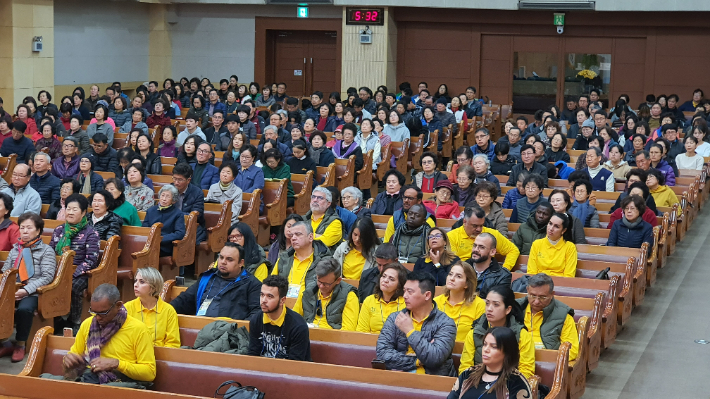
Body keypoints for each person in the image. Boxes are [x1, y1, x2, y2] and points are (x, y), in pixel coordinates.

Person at [61, 284, 156, 384]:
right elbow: (74, 356)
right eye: (94, 312)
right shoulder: (87, 324)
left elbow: (150, 373)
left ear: (118, 305)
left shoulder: (139, 329)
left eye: (103, 313)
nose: (97, 318)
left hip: (120, 383)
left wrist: (117, 364)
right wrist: (68, 361)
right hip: (89, 378)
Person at [375, 271, 457, 375]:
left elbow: (434, 358)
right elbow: (382, 355)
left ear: (427, 295)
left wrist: (410, 331)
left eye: (410, 292)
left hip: (433, 383)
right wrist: (418, 361)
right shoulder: (395, 318)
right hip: (398, 379)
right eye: (404, 291)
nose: (404, 296)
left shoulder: (445, 323)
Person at [0, 212, 56, 362]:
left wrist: (26, 290)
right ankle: (4, 341)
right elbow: (6, 271)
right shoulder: (15, 249)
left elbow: (47, 277)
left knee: (25, 309)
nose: (24, 231)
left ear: (38, 230)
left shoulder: (46, 251)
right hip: (12, 288)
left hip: (34, 291)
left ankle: (20, 344)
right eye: (22, 227)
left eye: (29, 228)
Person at [49, 194, 100, 331]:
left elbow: (91, 260)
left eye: (75, 209)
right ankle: (55, 318)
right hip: (58, 269)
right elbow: (49, 253)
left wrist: (71, 274)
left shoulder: (91, 233)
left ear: (83, 212)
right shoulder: (59, 230)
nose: (70, 212)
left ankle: (75, 321)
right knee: (46, 283)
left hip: (80, 272)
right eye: (68, 208)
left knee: (72, 286)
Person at [459, 285, 535, 377]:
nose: (489, 309)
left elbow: (526, 371)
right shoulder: (474, 333)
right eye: (487, 303)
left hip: (509, 386)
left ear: (508, 309)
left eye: (496, 304)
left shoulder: (522, 335)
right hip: (477, 385)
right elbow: (465, 368)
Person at [171, 242, 261, 319]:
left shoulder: (252, 285)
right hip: (200, 329)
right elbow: (184, 300)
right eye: (221, 257)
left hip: (230, 335)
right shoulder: (207, 278)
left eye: (229, 259)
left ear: (241, 263)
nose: (223, 262)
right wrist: (165, 311)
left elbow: (256, 315)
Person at [449, 327, 532, 399]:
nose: (486, 350)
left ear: (507, 352)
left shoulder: (516, 382)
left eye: (494, 347)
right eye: (485, 344)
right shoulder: (467, 375)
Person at [247, 275, 311, 361]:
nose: (263, 300)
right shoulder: (256, 319)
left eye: (270, 296)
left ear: (282, 300)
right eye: (262, 295)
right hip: (262, 371)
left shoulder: (298, 325)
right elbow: (252, 355)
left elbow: (296, 364)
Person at [518, 273, 579, 361]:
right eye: (533, 295)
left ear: (552, 294)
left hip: (547, 362)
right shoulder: (515, 308)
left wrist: (546, 357)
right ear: (527, 290)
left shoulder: (563, 315)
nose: (536, 302)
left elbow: (572, 351)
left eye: (542, 297)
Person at [270, 221, 332, 300]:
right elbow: (272, 284)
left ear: (310, 237)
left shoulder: (325, 261)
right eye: (292, 235)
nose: (293, 238)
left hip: (311, 307)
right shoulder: (284, 258)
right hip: (284, 305)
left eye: (298, 234)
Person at [292, 258, 359, 330]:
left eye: (326, 284)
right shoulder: (308, 290)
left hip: (333, 338)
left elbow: (348, 330)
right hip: (306, 334)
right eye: (319, 281)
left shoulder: (349, 295)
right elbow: (294, 318)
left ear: (338, 280)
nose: (321, 286)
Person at [448, 206, 519, 270]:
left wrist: (505, 269)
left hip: (487, 274)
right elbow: (452, 263)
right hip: (464, 272)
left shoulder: (492, 234)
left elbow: (513, 250)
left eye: (481, 225)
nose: (479, 229)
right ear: (464, 222)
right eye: (475, 226)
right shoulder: (451, 236)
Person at [124, 267, 180, 348]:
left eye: (142, 282)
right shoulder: (127, 308)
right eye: (136, 281)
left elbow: (173, 344)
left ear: (153, 287)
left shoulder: (168, 310)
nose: (135, 285)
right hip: (133, 356)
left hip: (160, 357)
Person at [434, 262, 485, 341]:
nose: (452, 278)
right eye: (450, 274)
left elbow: (479, 338)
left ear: (467, 284)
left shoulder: (479, 305)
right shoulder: (436, 302)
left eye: (458, 276)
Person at [357, 262, 408, 333]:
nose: (385, 280)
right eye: (384, 276)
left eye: (391, 279)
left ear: (399, 286)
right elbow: (361, 331)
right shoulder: (369, 300)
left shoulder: (406, 303)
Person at [527, 212, 577, 277]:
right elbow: (531, 272)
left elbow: (569, 276)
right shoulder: (537, 244)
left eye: (556, 226)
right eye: (550, 224)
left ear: (563, 231)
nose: (551, 229)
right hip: (538, 283)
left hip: (560, 284)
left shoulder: (570, 247)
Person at [142, 185, 186, 257]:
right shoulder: (151, 210)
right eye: (162, 195)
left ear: (174, 200)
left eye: (168, 197)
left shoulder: (178, 214)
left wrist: (161, 239)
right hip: (149, 243)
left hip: (165, 246)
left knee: (149, 252)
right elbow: (145, 228)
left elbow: (179, 233)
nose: (164, 199)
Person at [171, 163, 206, 245]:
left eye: (180, 180)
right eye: (174, 178)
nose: (176, 182)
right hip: (171, 225)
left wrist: (174, 216)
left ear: (188, 180)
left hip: (190, 227)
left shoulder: (197, 193)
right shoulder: (169, 189)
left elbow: (196, 215)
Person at [303, 186, 343, 250]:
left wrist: (303, 236)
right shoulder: (303, 218)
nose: (315, 200)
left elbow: (325, 242)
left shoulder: (335, 222)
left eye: (320, 198)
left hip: (323, 258)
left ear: (328, 203)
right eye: (313, 197)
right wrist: (317, 236)